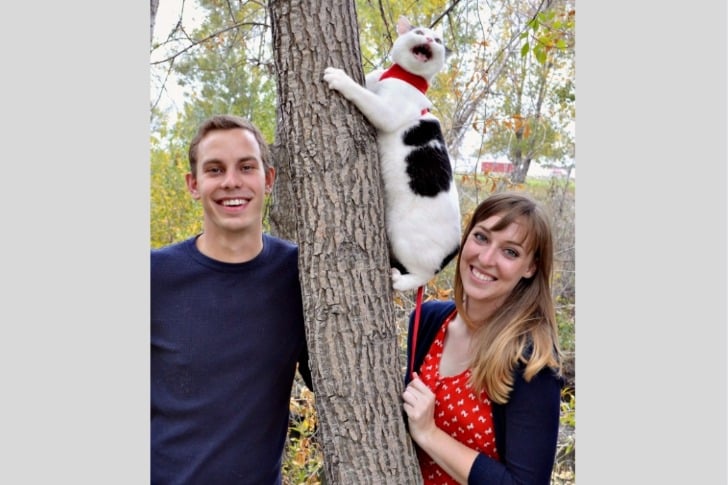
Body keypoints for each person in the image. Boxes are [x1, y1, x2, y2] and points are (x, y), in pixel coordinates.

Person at [151, 114, 312, 484]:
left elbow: (340, 383)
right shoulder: (154, 276)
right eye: (215, 170)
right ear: (194, 184)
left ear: (268, 179)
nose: (231, 182)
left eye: (246, 167)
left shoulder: (301, 275)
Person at [402, 191, 563, 485]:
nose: (486, 258)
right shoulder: (428, 320)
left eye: (510, 252)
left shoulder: (530, 361)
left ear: (531, 267)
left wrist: (429, 433)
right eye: (481, 237)